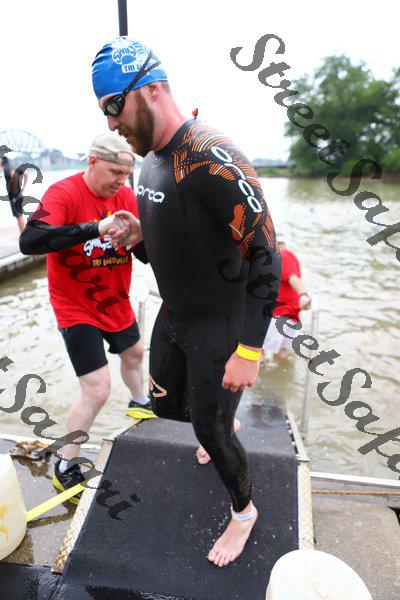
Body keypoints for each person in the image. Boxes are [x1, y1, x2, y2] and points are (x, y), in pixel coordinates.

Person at [92, 36, 281, 568]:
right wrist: (140, 237)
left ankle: (243, 512)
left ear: (151, 89)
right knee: (164, 408)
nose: (111, 122)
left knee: (209, 430)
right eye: (104, 111)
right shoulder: (152, 158)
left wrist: (250, 349)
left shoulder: (213, 157)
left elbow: (266, 255)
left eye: (114, 105)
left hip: (219, 323)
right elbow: (181, 239)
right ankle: (222, 421)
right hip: (174, 312)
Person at [19, 133, 152, 504]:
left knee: (135, 353)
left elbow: (145, 255)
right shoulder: (63, 194)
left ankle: (141, 402)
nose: (120, 182)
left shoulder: (127, 197)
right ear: (92, 162)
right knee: (97, 388)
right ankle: (66, 461)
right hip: (75, 305)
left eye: (126, 174)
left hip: (114, 299)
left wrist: (139, 236)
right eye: (114, 173)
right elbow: (30, 241)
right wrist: (96, 227)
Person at [262, 232, 311, 361]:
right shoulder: (291, 255)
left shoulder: (282, 256)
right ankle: (282, 372)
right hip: (292, 313)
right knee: (282, 351)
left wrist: (304, 295)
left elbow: (293, 278)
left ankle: (260, 372)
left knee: (258, 349)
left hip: (280, 313)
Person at [2, 156, 28, 234]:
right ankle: (22, 233)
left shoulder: (7, 168)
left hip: (14, 196)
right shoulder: (11, 165)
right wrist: (23, 187)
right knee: (19, 215)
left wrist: (14, 192)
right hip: (18, 195)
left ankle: (23, 235)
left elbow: (13, 175)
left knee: (18, 215)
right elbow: (26, 174)